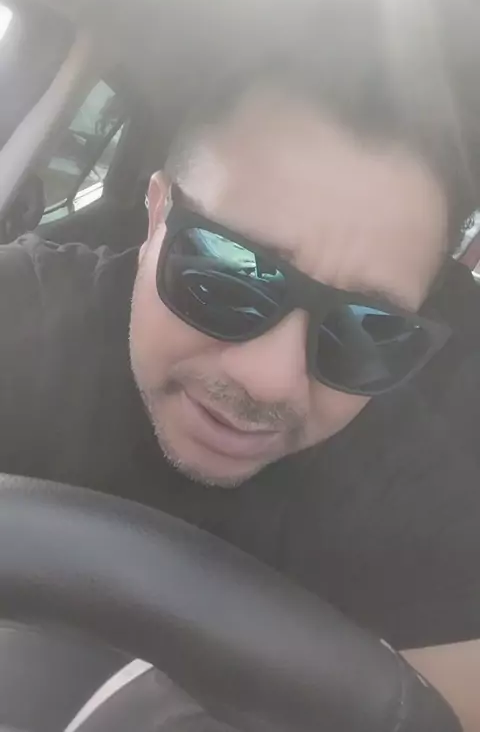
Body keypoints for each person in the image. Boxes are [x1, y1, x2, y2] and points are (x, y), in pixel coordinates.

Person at [2, 52, 480, 730]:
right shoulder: (22, 316)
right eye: (229, 272)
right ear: (157, 214)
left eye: (367, 327)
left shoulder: (427, 487)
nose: (270, 379)